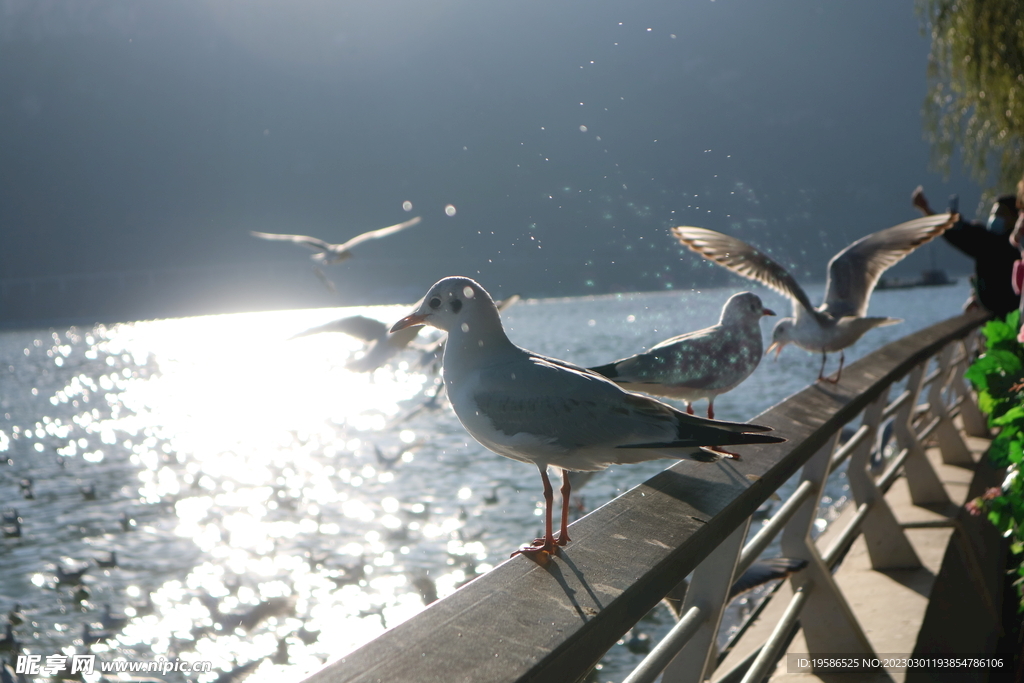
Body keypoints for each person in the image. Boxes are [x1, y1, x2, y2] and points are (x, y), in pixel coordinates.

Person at [912, 186, 1021, 317]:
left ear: (1016, 217)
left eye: (1000, 214)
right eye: (993, 214)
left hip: (1007, 317)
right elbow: (969, 234)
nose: (994, 218)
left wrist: (927, 210)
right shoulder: (997, 242)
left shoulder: (996, 244)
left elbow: (963, 235)